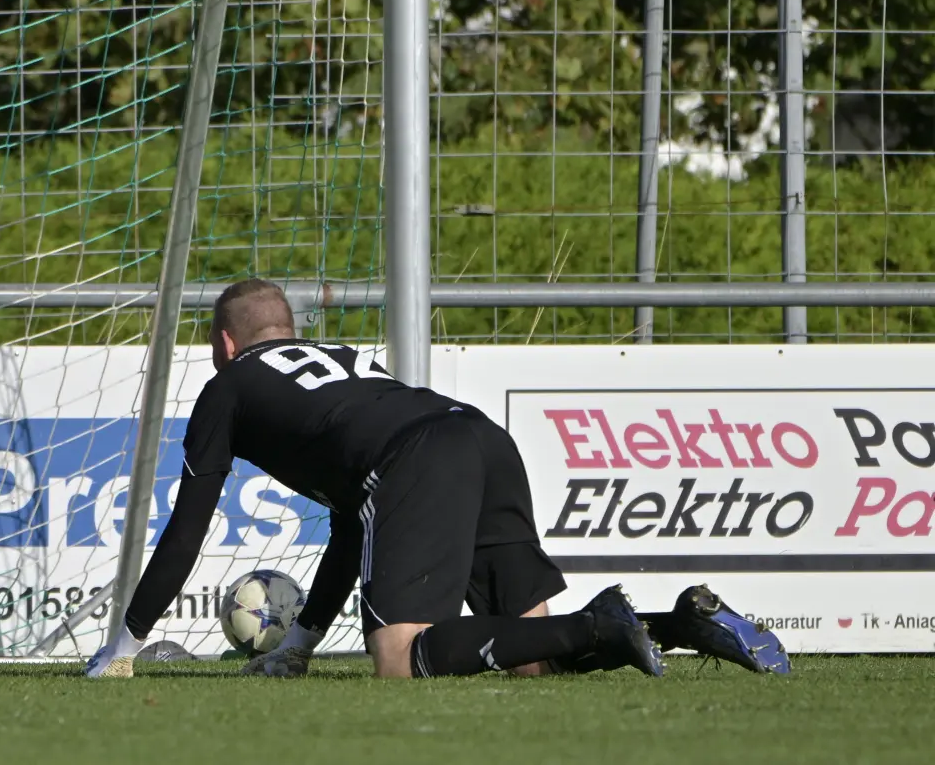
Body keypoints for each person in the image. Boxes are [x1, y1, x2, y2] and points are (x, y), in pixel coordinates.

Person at [86, 279, 790, 679]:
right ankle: (682, 623)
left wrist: (123, 650)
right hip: (479, 436)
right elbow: (349, 529)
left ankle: (600, 619)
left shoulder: (229, 387)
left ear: (224, 344)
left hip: (418, 458)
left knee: (398, 657)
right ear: (291, 328)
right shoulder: (340, 362)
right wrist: (298, 644)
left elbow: (187, 529)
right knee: (530, 660)